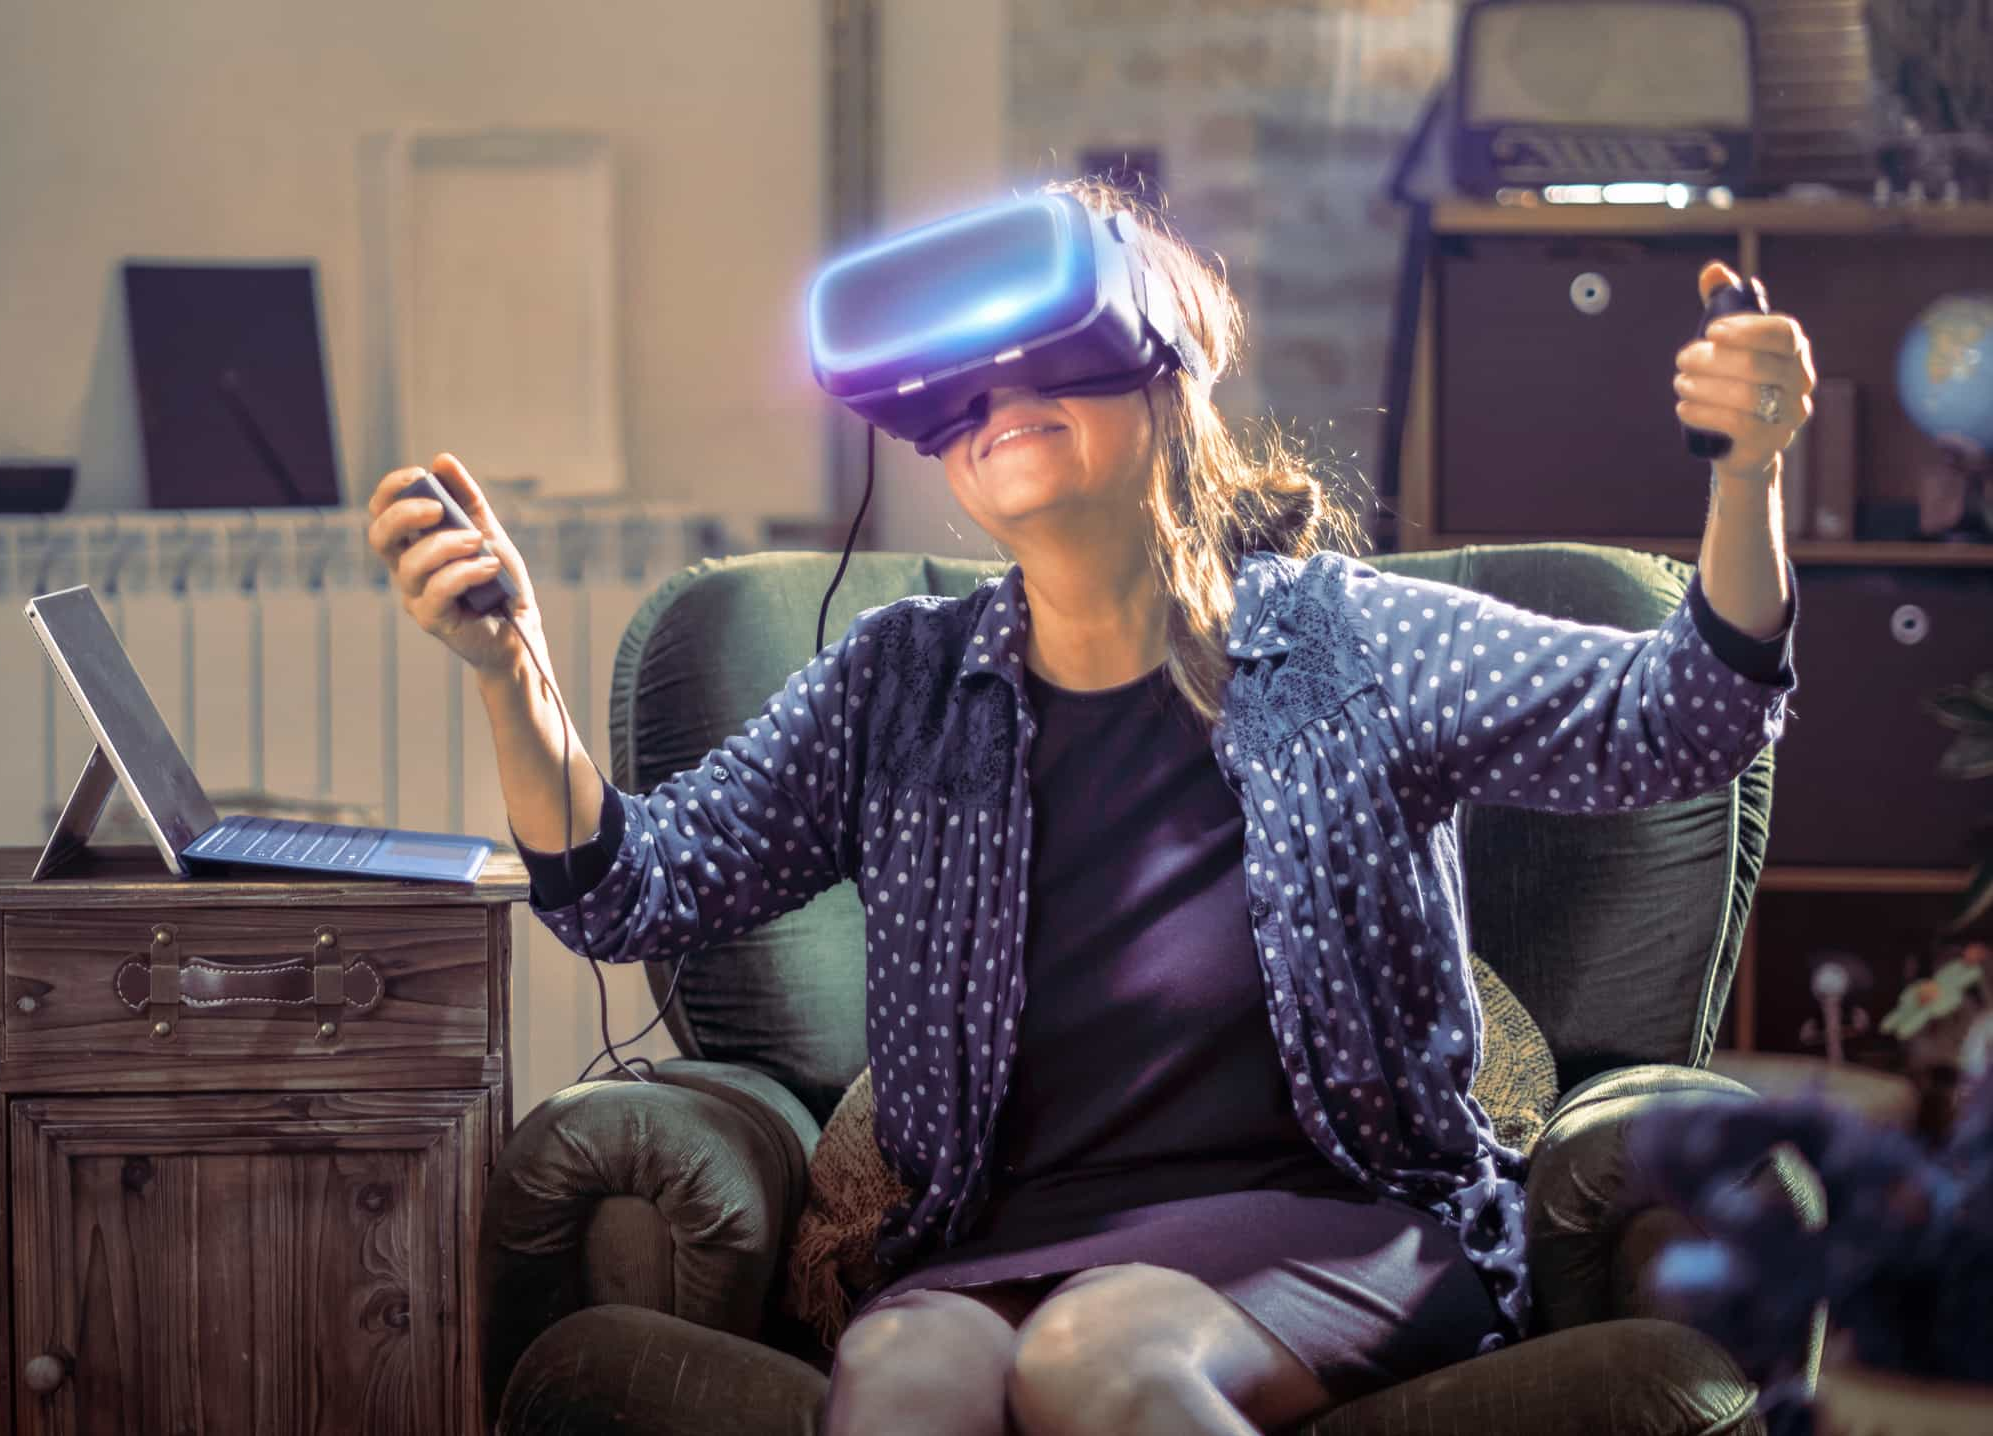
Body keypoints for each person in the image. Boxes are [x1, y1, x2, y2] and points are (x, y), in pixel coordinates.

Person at [364, 177, 1811, 1436]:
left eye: (1040, 358)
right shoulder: (900, 685)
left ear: (1160, 367)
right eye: (956, 389)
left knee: (1095, 1354)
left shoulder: (1347, 646)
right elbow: (636, 887)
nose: (993, 404)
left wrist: (1747, 477)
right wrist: (511, 671)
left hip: (1337, 1227)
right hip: (995, 1251)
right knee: (907, 1375)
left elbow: (1685, 715)